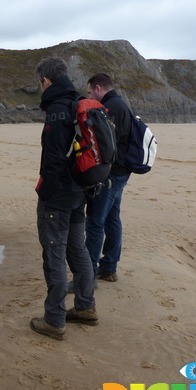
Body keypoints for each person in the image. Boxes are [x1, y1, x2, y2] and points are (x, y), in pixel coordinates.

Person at [29, 58, 98, 341]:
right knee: (77, 250)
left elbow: (55, 158)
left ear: (45, 80)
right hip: (80, 191)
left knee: (55, 255)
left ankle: (55, 320)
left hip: (59, 194)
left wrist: (44, 191)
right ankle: (85, 307)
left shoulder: (58, 109)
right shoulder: (78, 102)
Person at [84, 73, 133, 283]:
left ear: (98, 88)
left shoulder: (111, 108)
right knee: (112, 219)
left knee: (95, 222)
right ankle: (109, 267)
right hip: (121, 172)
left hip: (111, 173)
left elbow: (106, 144)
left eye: (89, 92)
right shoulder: (122, 104)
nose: (90, 97)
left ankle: (89, 275)